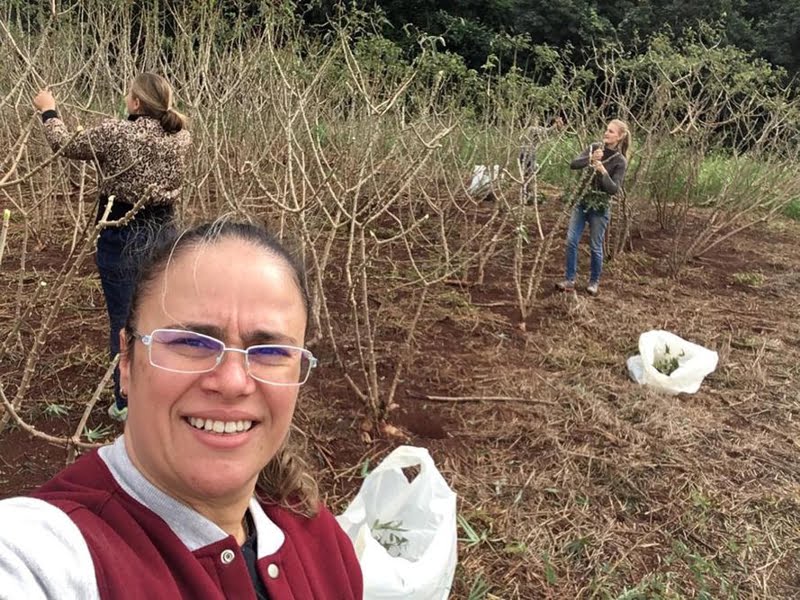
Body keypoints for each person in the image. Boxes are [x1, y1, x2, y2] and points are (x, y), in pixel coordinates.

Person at [0, 221, 364, 599]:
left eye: (270, 351)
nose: (232, 382)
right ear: (126, 360)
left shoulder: (319, 539)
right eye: (191, 342)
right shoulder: (46, 556)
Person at [32, 73, 192, 421]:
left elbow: (64, 145)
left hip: (122, 230)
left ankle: (126, 403)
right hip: (166, 232)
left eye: (128, 97)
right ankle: (166, 388)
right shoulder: (181, 136)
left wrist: (49, 110)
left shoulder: (117, 133)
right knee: (161, 312)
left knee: (124, 319)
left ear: (136, 103)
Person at [556, 119, 630, 295]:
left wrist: (603, 171)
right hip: (582, 202)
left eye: (611, 131)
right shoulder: (595, 147)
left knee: (595, 246)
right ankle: (569, 279)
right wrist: (590, 158)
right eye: (606, 130)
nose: (607, 133)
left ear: (620, 137)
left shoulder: (620, 161)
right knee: (571, 240)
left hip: (600, 208)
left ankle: (594, 282)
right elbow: (574, 164)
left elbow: (613, 189)